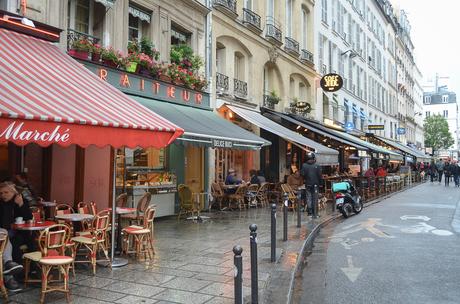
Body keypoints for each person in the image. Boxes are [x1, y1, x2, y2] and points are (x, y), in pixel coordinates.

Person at [0, 182, 33, 263]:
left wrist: (21, 204)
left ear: (14, 192)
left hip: (19, 232)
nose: (3, 195)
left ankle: (27, 270)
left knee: (19, 243)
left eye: (6, 192)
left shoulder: (21, 201)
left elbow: (29, 217)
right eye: (1, 193)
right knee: (11, 242)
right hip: (3, 232)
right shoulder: (1, 204)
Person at [300, 152, 322, 218]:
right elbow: (320, 176)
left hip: (308, 184)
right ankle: (315, 213)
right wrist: (321, 183)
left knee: (308, 198)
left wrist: (306, 178)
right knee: (315, 198)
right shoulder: (317, 165)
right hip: (315, 184)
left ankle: (309, 213)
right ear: (313, 158)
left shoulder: (304, 165)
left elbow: (302, 174)